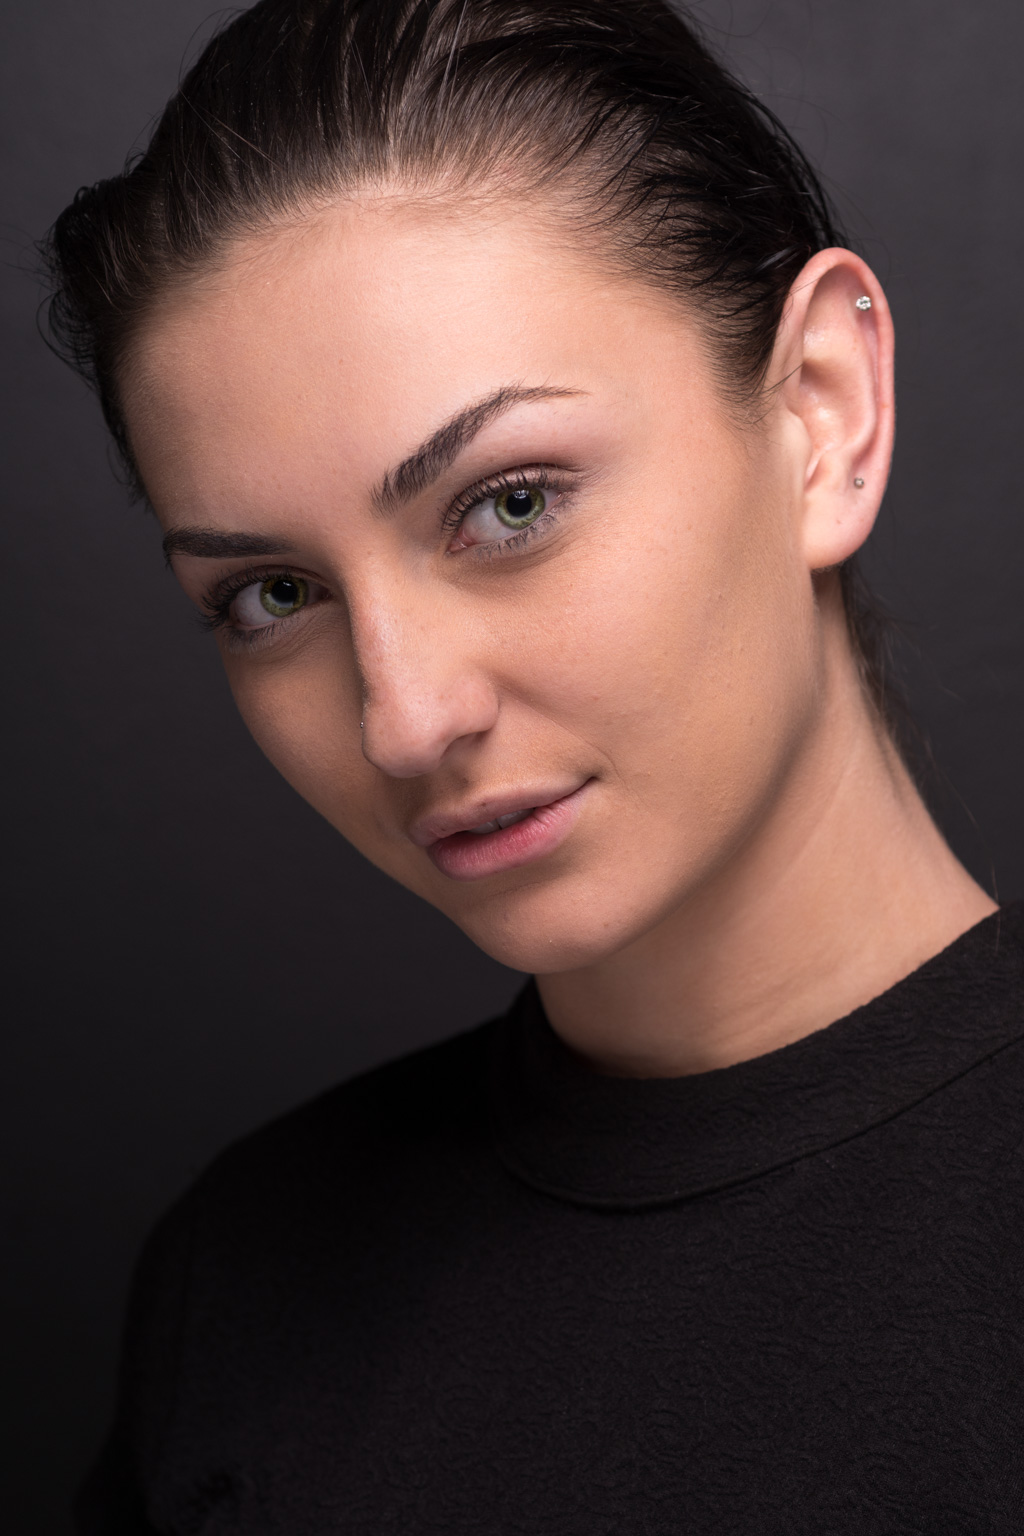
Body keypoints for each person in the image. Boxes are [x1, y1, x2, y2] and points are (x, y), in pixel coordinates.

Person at [45, 0, 1023, 1529]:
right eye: (274, 596)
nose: (404, 718)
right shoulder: (246, 1280)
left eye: (509, 504)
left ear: (822, 417)